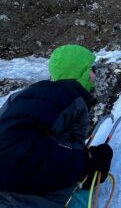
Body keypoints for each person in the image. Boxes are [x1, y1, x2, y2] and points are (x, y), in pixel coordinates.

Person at [0, 44, 113, 208]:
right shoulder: (70, 98)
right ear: (80, 71)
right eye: (92, 69)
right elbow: (15, 154)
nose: (94, 75)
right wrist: (87, 163)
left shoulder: (20, 96)